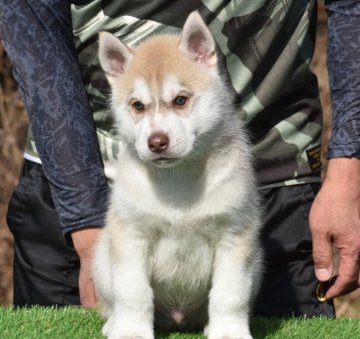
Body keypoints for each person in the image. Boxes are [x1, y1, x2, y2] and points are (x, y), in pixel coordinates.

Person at [0, 0, 359, 317]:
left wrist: (349, 170)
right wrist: (88, 220)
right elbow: (35, 34)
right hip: (93, 185)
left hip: (272, 177)